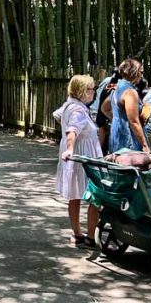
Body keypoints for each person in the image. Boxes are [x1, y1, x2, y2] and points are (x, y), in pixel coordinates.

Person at [53, 75, 102, 248]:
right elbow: (72, 131)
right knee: (96, 195)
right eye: (91, 89)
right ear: (82, 92)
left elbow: (57, 115)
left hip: (76, 157)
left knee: (75, 195)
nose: (93, 92)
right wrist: (71, 148)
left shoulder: (69, 105)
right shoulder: (78, 110)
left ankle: (77, 232)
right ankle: (90, 236)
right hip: (83, 156)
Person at [102, 57, 150, 154]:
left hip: (117, 135)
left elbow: (105, 108)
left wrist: (118, 119)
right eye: (141, 72)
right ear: (134, 72)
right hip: (129, 137)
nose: (142, 75)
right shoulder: (130, 92)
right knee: (131, 167)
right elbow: (134, 122)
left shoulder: (117, 88)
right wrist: (145, 145)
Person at [95, 69, 118, 154]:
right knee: (103, 138)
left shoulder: (108, 83)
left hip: (101, 113)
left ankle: (99, 154)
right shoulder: (116, 87)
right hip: (104, 114)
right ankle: (98, 155)